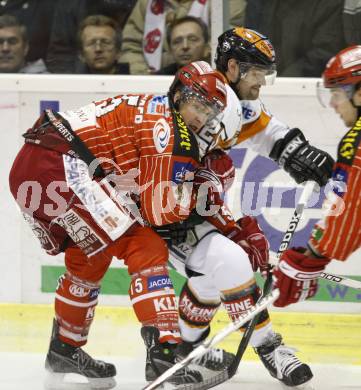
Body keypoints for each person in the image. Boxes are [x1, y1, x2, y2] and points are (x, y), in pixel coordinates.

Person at [8, 61, 228, 389]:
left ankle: (65, 349)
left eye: (208, 113)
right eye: (197, 106)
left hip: (34, 165)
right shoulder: (170, 128)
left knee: (92, 254)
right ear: (179, 95)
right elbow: (160, 213)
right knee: (145, 244)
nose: (200, 118)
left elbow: (139, 189)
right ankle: (164, 352)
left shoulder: (157, 109)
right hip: (62, 166)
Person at [153, 27, 336, 388]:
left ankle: (187, 348)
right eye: (257, 74)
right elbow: (177, 182)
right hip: (160, 206)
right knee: (230, 260)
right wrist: (232, 230)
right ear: (233, 68)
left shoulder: (237, 102)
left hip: (191, 205)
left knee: (209, 281)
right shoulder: (201, 98)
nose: (262, 83)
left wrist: (298, 153)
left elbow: (267, 132)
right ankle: (269, 347)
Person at [272, 45, 361, 308]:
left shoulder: (356, 143)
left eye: (336, 93)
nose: (332, 104)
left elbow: (348, 217)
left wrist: (309, 259)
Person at [119, 0, 246, 74]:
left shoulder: (225, 3)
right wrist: (146, 82)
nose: (184, 46)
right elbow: (130, 46)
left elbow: (227, 46)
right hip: (153, 81)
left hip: (207, 79)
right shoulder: (146, 3)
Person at [243, 0, 346, 77]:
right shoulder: (261, 4)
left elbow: (325, 52)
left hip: (308, 87)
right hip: (265, 82)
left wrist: (282, 80)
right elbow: (252, 44)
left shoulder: (329, 4)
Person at [46, 0, 137, 73]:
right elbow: (59, 54)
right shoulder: (69, 6)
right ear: (81, 55)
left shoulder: (134, 84)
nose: (98, 49)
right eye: (91, 43)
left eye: (105, 42)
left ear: (119, 52)